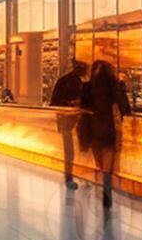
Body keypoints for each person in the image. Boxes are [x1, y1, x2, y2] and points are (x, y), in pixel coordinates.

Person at [80, 59, 132, 208]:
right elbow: (124, 106)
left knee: (99, 162)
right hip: (108, 126)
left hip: (92, 127)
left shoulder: (87, 87)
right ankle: (107, 190)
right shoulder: (114, 86)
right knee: (109, 158)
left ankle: (101, 182)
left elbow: (83, 108)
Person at [49, 59, 87, 190]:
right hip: (72, 120)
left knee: (69, 149)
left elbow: (53, 102)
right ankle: (74, 176)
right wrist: (73, 106)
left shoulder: (63, 80)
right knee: (74, 149)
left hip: (65, 119)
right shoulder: (77, 82)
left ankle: (70, 176)